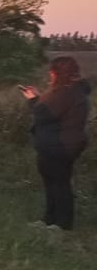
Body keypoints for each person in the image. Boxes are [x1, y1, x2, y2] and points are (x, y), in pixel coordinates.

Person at [21, 56, 90, 230]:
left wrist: (32, 100)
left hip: (60, 145)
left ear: (58, 73)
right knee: (52, 182)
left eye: (52, 72)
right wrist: (38, 98)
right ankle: (49, 220)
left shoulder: (66, 92)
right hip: (59, 144)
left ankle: (62, 224)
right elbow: (49, 111)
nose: (50, 76)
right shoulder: (72, 91)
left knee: (59, 184)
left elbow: (44, 114)